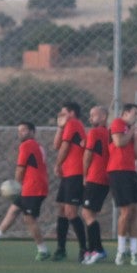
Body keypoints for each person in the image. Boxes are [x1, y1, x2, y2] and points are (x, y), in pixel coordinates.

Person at [0, 122, 50, 260]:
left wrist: (16, 185)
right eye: (19, 130)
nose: (20, 133)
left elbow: (20, 168)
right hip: (33, 186)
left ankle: (43, 250)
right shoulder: (38, 146)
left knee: (29, 219)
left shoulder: (26, 145)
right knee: (13, 210)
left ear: (32, 132)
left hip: (33, 187)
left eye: (24, 130)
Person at [51, 101, 88, 261]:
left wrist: (57, 165)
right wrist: (59, 127)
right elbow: (56, 145)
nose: (61, 115)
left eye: (63, 112)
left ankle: (84, 249)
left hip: (75, 173)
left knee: (71, 212)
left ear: (72, 113)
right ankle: (61, 249)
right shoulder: (68, 125)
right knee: (62, 210)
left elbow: (64, 148)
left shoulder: (73, 123)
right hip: (68, 174)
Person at [107, 103, 137, 265]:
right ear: (126, 113)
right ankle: (121, 251)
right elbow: (119, 142)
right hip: (118, 171)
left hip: (131, 172)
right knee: (126, 211)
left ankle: (134, 252)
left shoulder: (130, 130)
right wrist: (130, 133)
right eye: (134, 113)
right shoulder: (118, 124)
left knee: (134, 211)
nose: (136, 117)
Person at [79, 105, 111, 264]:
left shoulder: (94, 133)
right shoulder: (108, 133)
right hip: (105, 179)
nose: (90, 118)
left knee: (87, 214)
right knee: (90, 215)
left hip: (95, 177)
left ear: (103, 117)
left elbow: (88, 156)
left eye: (94, 115)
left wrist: (84, 175)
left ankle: (97, 250)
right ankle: (94, 250)